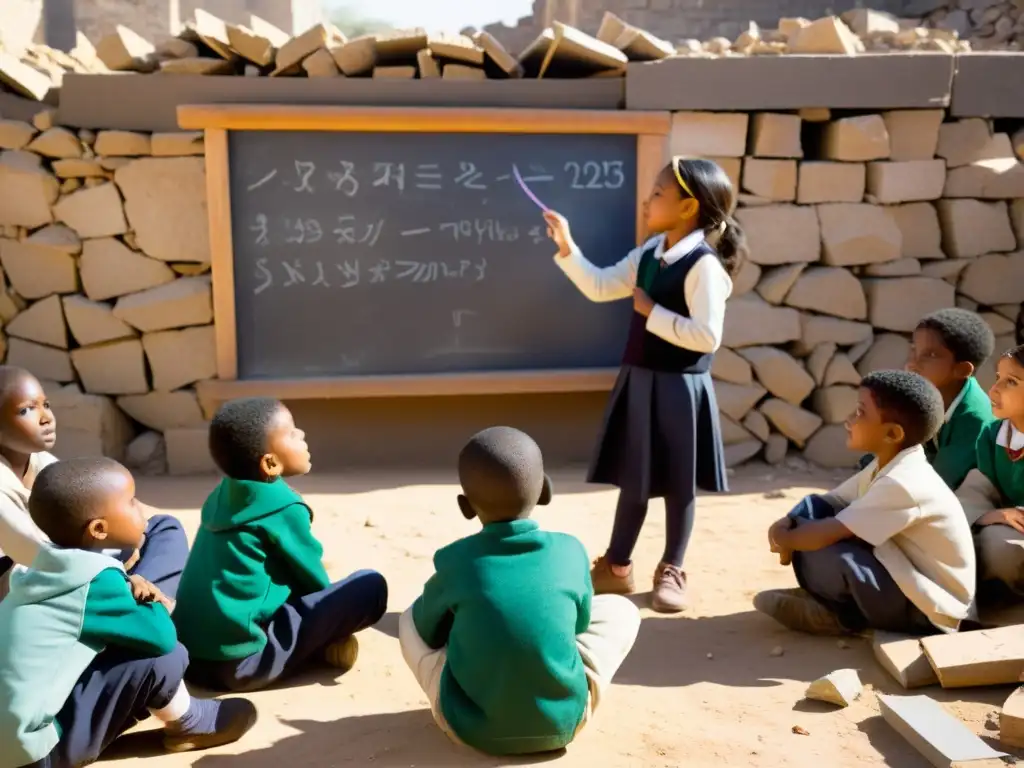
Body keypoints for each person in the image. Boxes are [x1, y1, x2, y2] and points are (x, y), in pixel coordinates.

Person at [543, 156, 744, 613]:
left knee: (678, 485)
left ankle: (672, 568)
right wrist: (566, 245)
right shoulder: (649, 254)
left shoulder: (703, 267)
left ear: (688, 206)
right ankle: (617, 567)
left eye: (658, 193)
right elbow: (599, 286)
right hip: (639, 382)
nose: (648, 200)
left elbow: (707, 336)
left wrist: (653, 313)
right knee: (634, 481)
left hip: (680, 389)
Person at [399, 426, 640, 756]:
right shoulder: (570, 551)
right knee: (621, 610)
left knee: (410, 617)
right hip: (564, 724)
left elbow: (427, 630)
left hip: (470, 729)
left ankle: (473, 692)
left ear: (466, 506)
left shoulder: (455, 561)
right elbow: (580, 626)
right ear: (544, 491)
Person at [0, 457, 256, 768]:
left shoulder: (44, 566)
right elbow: (162, 639)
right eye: (132, 502)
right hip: (34, 756)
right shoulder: (95, 580)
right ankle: (191, 723)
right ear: (98, 528)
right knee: (164, 656)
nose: (141, 510)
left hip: (10, 742)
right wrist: (151, 599)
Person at [173, 397, 388, 692]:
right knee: (370, 586)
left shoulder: (220, 497)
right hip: (243, 664)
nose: (302, 436)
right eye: (292, 433)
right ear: (270, 463)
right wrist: (332, 623)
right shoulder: (283, 508)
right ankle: (324, 648)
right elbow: (315, 584)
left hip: (191, 660)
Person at [755, 370, 976, 637]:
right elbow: (830, 501)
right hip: (904, 579)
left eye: (860, 413)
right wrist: (788, 523)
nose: (849, 420)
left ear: (892, 433)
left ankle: (843, 618)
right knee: (814, 513)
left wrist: (784, 538)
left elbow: (826, 534)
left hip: (931, 610)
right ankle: (838, 604)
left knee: (827, 548)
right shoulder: (887, 464)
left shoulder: (903, 482)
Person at [0, 366, 188, 602]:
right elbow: (38, 556)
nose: (46, 418)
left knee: (162, 528)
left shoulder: (39, 462)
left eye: (45, 405)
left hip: (70, 562)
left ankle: (138, 603)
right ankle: (136, 606)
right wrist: (117, 571)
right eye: (26, 410)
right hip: (33, 582)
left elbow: (82, 508)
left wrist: (132, 529)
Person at [957, 344, 1024, 597]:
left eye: (1011, 382)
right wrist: (988, 516)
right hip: (1007, 528)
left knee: (1000, 548)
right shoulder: (993, 435)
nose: (993, 390)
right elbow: (976, 491)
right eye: (997, 379)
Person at [904, 308, 996, 489]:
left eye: (930, 355)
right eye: (914, 350)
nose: (913, 363)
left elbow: (935, 484)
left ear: (961, 370)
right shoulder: (928, 396)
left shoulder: (974, 420)